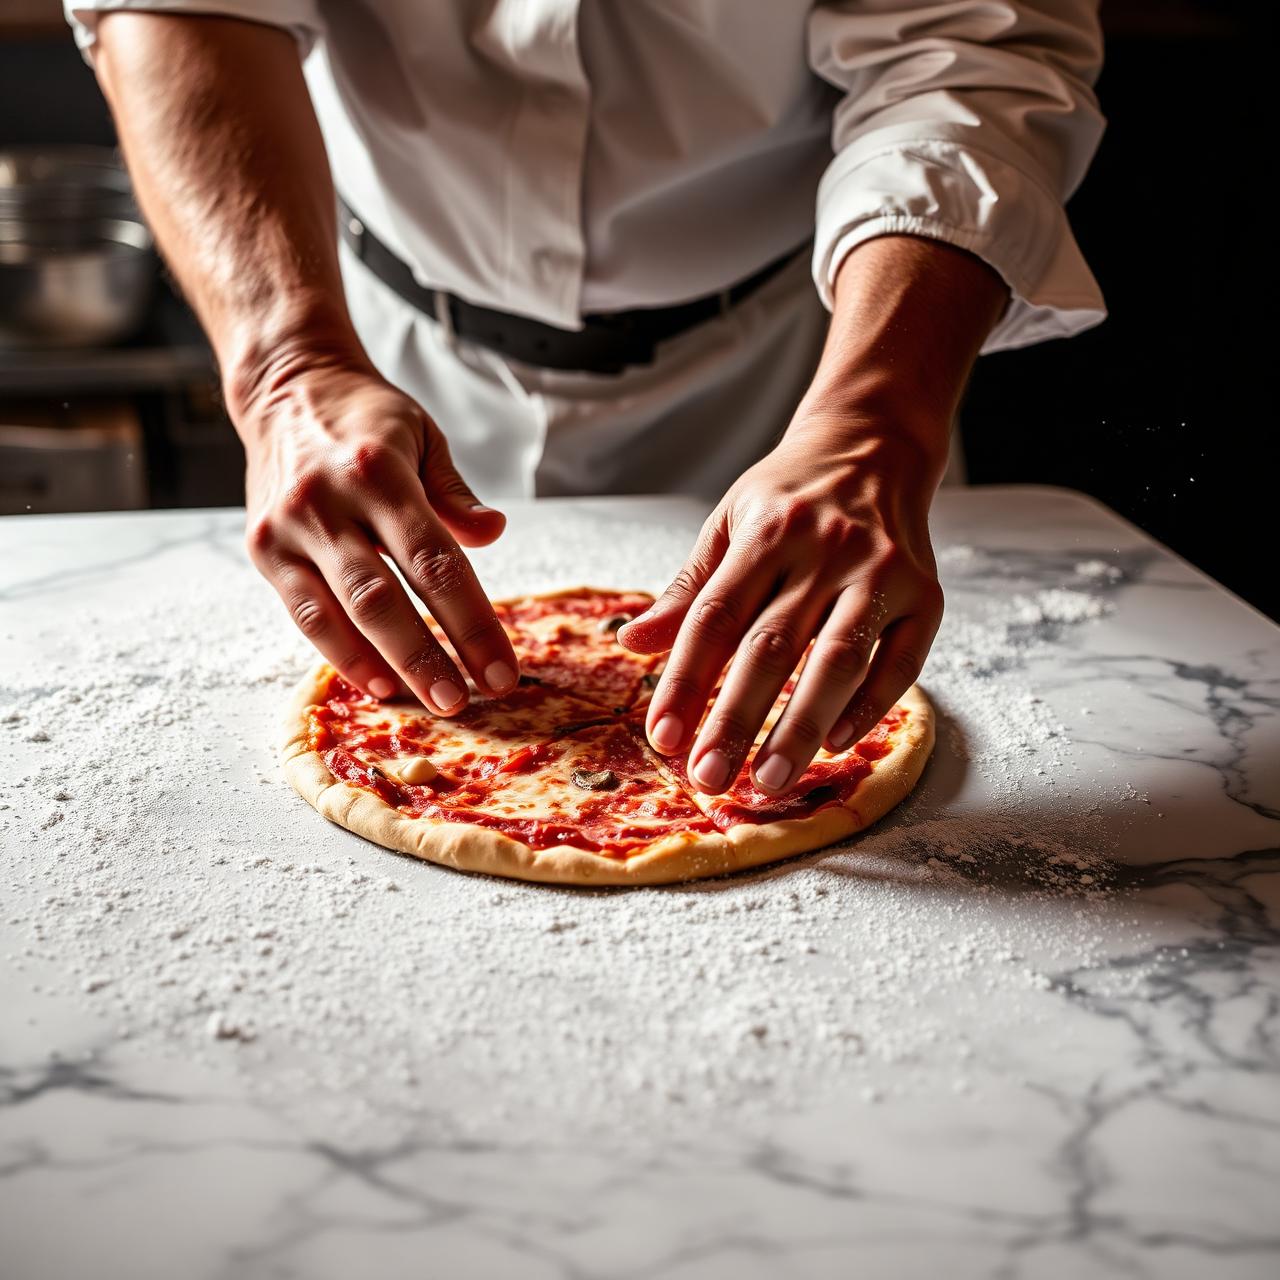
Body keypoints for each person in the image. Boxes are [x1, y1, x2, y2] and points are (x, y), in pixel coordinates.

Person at [66, 1, 1104, 798]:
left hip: (809, 364)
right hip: (374, 353)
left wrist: (873, 416)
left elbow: (969, 50)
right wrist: (285, 363)